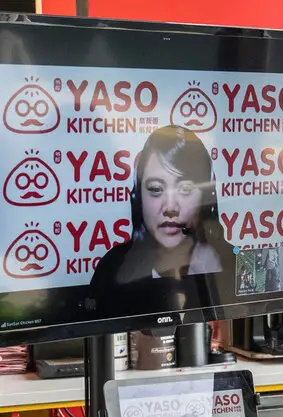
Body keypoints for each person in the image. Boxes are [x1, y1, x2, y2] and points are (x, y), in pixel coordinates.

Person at [86, 125, 239, 318]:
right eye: (156, 189)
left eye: (185, 189)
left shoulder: (234, 266)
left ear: (207, 197)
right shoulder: (112, 270)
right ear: (138, 197)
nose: (170, 207)